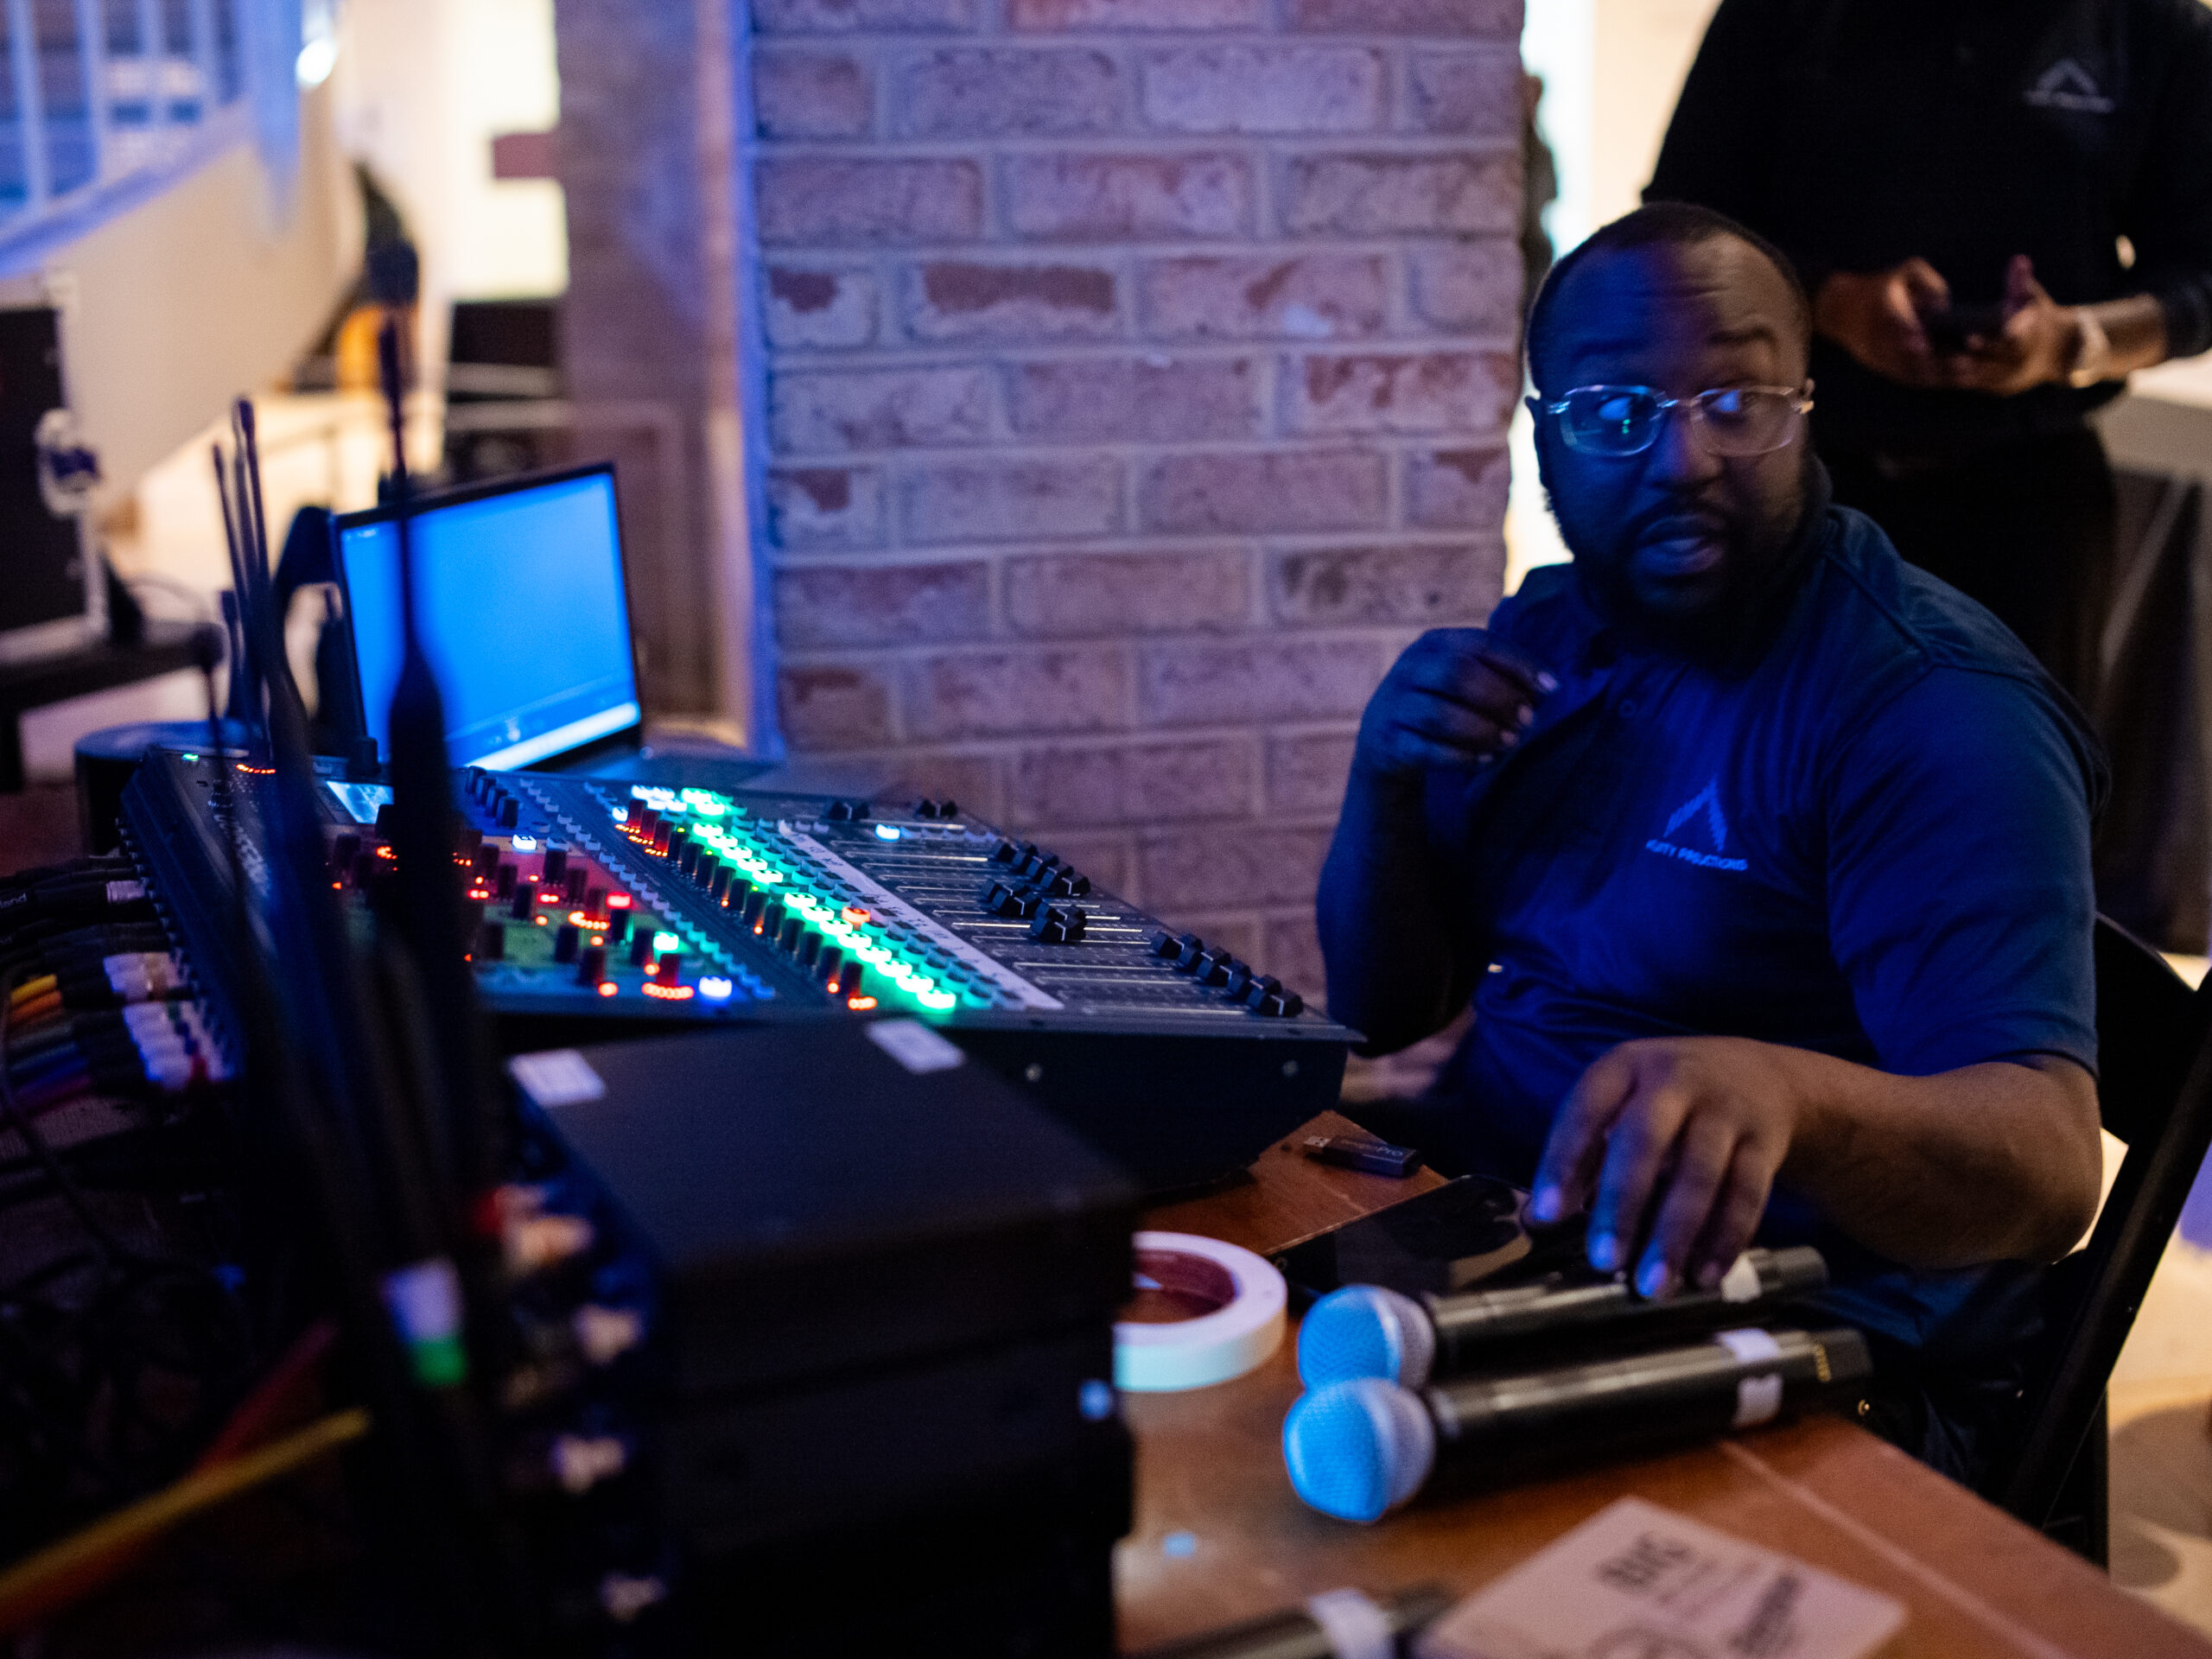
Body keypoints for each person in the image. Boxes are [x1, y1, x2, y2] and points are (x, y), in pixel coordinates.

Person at [1317, 203, 2105, 1487]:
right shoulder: (1554, 630)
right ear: (1545, 440)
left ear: (1806, 408)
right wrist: (1384, 784)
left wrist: (1791, 1098)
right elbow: (1387, 1011)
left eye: (1735, 402)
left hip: (1800, 1339)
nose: (1682, 459)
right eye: (1615, 412)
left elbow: (2052, 1172)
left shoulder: (1932, 711)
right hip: (1496, 1224)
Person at [1644, 0, 2212, 709]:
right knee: (1767, 757)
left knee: (2012, 768)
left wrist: (2072, 342)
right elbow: (1678, 227)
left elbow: (2199, 280)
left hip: (2030, 508)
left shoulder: (2152, 25)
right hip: (1793, 481)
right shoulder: (1779, 14)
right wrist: (1832, 304)